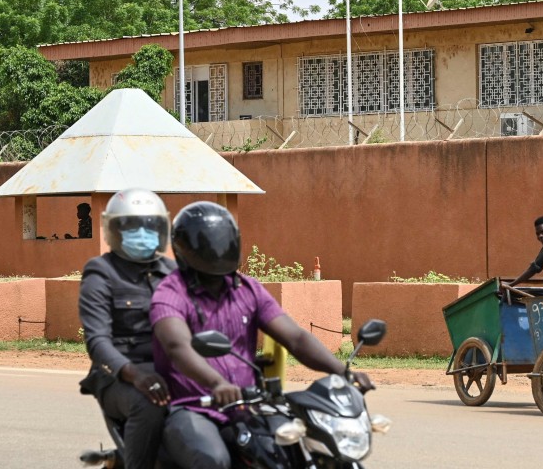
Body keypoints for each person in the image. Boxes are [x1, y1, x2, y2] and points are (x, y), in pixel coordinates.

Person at [151, 201, 375, 469]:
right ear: (185, 248)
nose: (217, 249)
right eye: (208, 243)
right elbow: (178, 347)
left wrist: (342, 370)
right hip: (192, 407)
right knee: (213, 460)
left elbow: (295, 338)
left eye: (223, 241)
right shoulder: (170, 292)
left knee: (296, 450)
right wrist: (216, 384)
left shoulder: (248, 290)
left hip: (248, 405)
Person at [78, 189, 177, 469]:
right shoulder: (101, 272)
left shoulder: (172, 271)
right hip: (119, 377)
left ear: (161, 229)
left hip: (169, 370)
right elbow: (97, 341)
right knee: (149, 404)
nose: (142, 233)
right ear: (115, 230)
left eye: (150, 226)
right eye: (132, 226)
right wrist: (135, 375)